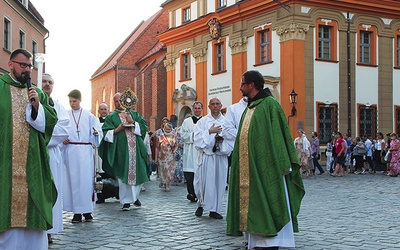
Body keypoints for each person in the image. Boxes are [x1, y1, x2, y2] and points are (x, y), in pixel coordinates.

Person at [226, 70, 305, 250]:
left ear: (252, 85)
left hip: (268, 169)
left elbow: (279, 137)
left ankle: (271, 243)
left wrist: (281, 164)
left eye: (243, 84)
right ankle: (257, 242)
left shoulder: (270, 105)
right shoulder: (251, 107)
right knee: (255, 205)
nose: (240, 87)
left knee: (269, 201)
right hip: (251, 170)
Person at [0, 48, 58, 249]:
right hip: (5, 163)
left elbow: (50, 122)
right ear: (11, 64)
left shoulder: (37, 93)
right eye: (22, 65)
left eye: (29, 66)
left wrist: (36, 108)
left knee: (33, 213)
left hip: (33, 165)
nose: (26, 69)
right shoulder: (0, 87)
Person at [99, 93, 149, 211]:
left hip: (136, 149)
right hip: (121, 151)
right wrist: (118, 129)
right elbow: (105, 133)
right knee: (123, 175)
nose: (118, 103)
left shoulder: (134, 114)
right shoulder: (111, 117)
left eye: (120, 100)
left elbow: (143, 127)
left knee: (139, 173)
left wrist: (133, 123)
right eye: (116, 101)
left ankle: (135, 197)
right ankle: (126, 201)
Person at [63, 89, 103, 223]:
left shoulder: (89, 116)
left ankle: (87, 210)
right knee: (73, 182)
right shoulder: (65, 115)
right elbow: (60, 131)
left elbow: (98, 133)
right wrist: (63, 139)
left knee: (86, 182)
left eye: (74, 101)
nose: (72, 104)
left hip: (85, 151)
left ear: (80, 100)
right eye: (70, 101)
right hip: (71, 150)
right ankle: (76, 212)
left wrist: (96, 134)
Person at [42, 73, 71, 244]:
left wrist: (40, 138)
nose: (47, 84)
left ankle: (49, 230)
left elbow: (63, 130)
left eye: (50, 82)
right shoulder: (28, 101)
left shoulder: (58, 107)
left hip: (51, 153)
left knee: (52, 190)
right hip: (31, 153)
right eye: (44, 81)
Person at [194, 97, 233, 219]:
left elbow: (231, 138)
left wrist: (221, 140)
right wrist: (209, 132)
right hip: (207, 157)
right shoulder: (203, 121)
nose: (215, 106)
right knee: (204, 182)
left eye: (217, 104)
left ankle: (215, 209)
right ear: (209, 106)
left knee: (219, 182)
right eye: (213, 104)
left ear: (221, 106)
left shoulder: (227, 122)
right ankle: (201, 204)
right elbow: (197, 139)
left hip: (220, 157)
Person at [180, 101, 203, 202]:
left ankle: (200, 193)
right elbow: (182, 135)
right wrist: (193, 136)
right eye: (196, 108)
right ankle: (191, 193)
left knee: (201, 174)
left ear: (202, 109)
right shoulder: (187, 121)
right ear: (193, 109)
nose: (197, 110)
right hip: (190, 150)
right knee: (190, 174)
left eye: (199, 108)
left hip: (201, 151)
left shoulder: (205, 121)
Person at [155, 123, 178, 191]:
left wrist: (174, 151)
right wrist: (156, 158)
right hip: (161, 156)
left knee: (169, 170)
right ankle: (164, 182)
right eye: (166, 129)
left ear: (171, 129)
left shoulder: (174, 137)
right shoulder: (160, 137)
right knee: (163, 170)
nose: (167, 130)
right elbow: (157, 147)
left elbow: (177, 145)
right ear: (163, 129)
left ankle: (168, 184)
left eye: (169, 129)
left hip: (170, 156)